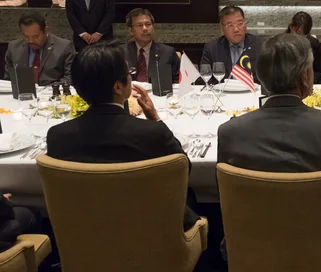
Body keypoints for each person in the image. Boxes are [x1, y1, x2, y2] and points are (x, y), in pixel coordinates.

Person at [217, 33, 321, 259]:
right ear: (306, 78)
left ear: (260, 77)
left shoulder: (230, 133)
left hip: (253, 251)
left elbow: (226, 199)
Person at [46, 41, 199, 231]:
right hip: (148, 235)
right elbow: (183, 170)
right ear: (118, 87)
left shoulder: (57, 137)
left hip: (86, 237)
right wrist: (156, 120)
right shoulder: (151, 133)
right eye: (129, 74)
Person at [4, 11, 75, 86]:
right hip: (23, 95)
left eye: (35, 36)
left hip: (52, 93)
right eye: (26, 36)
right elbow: (8, 80)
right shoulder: (13, 47)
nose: (30, 41)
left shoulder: (64, 46)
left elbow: (70, 78)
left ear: (46, 30)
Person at [201, 6, 262, 85]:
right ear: (222, 28)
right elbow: (206, 80)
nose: (236, 29)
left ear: (245, 24)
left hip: (253, 93)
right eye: (230, 25)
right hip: (224, 94)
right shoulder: (212, 48)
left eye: (240, 23)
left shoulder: (260, 45)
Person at [123, 8, 180, 84]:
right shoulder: (121, 52)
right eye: (139, 25)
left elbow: (176, 82)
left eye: (148, 24)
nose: (145, 28)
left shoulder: (168, 52)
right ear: (131, 31)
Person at [286, 11, 321, 84]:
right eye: (298, 33)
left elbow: (318, 71)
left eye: (304, 35)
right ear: (291, 27)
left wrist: (308, 83)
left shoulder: (313, 43)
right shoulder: (281, 44)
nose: (300, 38)